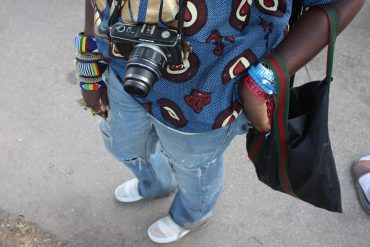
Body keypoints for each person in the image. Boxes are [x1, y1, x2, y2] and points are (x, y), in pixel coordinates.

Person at [75, 0, 364, 243]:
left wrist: (265, 78)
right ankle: (155, 184)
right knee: (122, 143)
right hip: (122, 62)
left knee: (193, 165)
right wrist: (87, 61)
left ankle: (191, 215)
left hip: (211, 90)